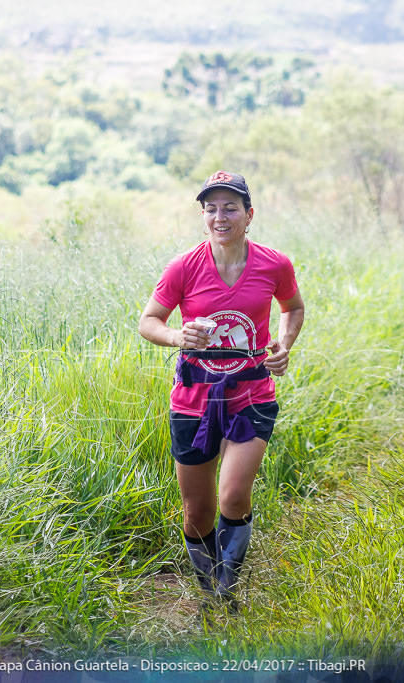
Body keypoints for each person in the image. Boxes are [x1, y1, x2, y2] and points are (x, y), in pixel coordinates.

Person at [138, 170, 305, 613]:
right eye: (210, 208)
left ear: (249, 215)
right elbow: (148, 322)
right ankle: (209, 589)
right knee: (197, 512)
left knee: (233, 495)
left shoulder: (274, 264)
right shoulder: (183, 266)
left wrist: (283, 346)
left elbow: (293, 307)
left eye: (230, 207)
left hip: (252, 393)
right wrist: (178, 337)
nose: (219, 216)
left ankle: (224, 593)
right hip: (193, 399)